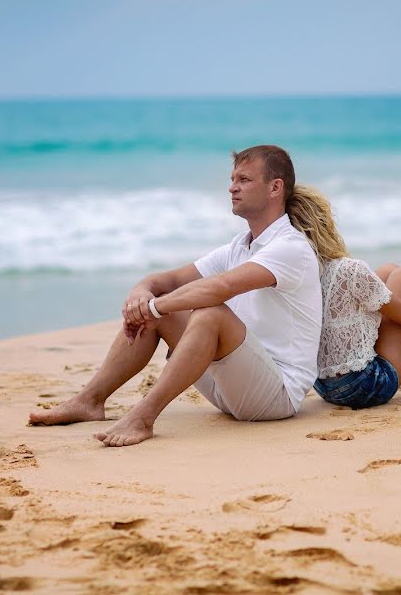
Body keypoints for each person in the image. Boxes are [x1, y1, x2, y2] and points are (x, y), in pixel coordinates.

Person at [28, 145, 323, 446]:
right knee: (163, 310)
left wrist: (153, 308)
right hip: (231, 386)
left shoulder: (290, 248)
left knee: (210, 313)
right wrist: (141, 295)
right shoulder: (240, 245)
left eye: (244, 180)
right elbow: (167, 280)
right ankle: (89, 401)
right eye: (232, 178)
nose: (231, 187)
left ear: (275, 187)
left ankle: (142, 419)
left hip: (274, 397)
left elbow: (220, 288)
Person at [290, 185, 401, 410]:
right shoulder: (350, 269)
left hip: (323, 386)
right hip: (364, 386)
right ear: (325, 223)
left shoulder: (299, 273)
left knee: (388, 271)